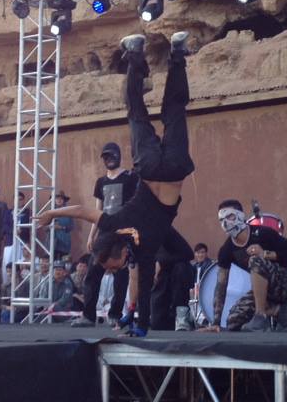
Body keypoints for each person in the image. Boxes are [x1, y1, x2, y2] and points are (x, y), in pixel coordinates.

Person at [37, 31, 195, 336]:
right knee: (136, 113)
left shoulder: (142, 248)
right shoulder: (114, 223)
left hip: (172, 170)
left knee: (175, 111)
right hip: (149, 167)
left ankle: (177, 53)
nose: (115, 269)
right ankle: (135, 54)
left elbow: (144, 281)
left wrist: (141, 326)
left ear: (121, 254)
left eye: (112, 266)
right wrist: (52, 214)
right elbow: (82, 210)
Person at [210, 200, 287, 332]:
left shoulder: (263, 233)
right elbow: (221, 285)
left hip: (285, 284)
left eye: (230, 216)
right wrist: (216, 322)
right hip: (263, 292)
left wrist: (265, 254)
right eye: (221, 219)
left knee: (255, 260)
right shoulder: (226, 250)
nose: (225, 223)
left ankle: (260, 316)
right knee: (233, 321)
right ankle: (277, 311)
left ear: (240, 215)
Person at [76, 142, 138, 328]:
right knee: (93, 273)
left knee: (121, 276)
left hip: (124, 232)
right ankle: (88, 316)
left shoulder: (130, 177)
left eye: (111, 155)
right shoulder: (101, 182)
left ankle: (115, 315)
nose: (109, 159)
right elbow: (98, 211)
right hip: (104, 233)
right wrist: (91, 235)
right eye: (105, 157)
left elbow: (137, 204)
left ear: (118, 155)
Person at [151, 230, 194, 330]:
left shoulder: (165, 230)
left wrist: (160, 261)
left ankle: (182, 315)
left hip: (177, 276)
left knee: (181, 268)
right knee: (156, 324)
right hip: (162, 280)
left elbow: (189, 254)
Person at [51, 191, 74, 260]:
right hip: (51, 242)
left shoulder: (69, 211)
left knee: (63, 261)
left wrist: (61, 227)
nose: (59, 200)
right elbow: (44, 226)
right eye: (57, 198)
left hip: (64, 242)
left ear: (64, 200)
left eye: (61, 198)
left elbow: (71, 226)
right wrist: (50, 227)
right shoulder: (50, 211)